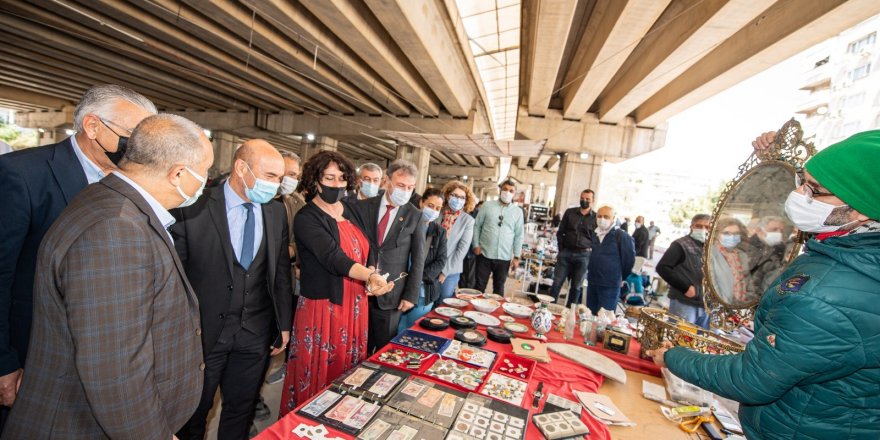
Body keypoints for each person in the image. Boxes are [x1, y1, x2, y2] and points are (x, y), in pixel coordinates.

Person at [649, 129, 880, 440]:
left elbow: (752, 379)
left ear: (860, 209)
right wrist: (774, 161)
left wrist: (674, 357)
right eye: (801, 182)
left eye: (816, 190)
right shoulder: (852, 252)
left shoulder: (825, 295)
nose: (799, 196)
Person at [3, 114, 210, 439]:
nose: (206, 182)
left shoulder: (110, 200)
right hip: (83, 426)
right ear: (178, 174)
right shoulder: (117, 228)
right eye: (205, 172)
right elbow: (115, 369)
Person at [0, 84, 155, 428]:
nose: (140, 149)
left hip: (102, 362)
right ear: (92, 126)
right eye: (132, 135)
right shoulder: (22, 174)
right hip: (33, 353)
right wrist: (4, 363)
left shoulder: (133, 186)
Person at [173, 140, 293, 440]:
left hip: (255, 333)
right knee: (193, 414)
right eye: (269, 176)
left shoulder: (276, 213)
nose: (276, 185)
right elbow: (176, 275)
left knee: (241, 410)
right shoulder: (195, 205)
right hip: (203, 334)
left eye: (279, 179)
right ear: (241, 168)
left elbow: (279, 273)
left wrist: (284, 325)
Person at [279, 151, 393, 414]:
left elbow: (370, 247)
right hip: (325, 308)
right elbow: (333, 258)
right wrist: (370, 276)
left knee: (347, 369)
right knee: (318, 372)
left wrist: (374, 272)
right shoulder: (307, 217)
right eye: (329, 178)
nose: (337, 184)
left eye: (342, 178)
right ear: (315, 181)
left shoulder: (351, 208)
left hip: (355, 304)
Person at [345, 159, 425, 352]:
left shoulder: (415, 215)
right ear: (387, 181)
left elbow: (418, 258)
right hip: (359, 286)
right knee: (356, 345)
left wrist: (411, 295)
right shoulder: (364, 206)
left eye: (410, 187)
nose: (405, 191)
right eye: (400, 185)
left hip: (391, 293)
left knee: (382, 347)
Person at [397, 188, 447, 332]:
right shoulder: (405, 224)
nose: (433, 211)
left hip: (424, 290)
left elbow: (441, 260)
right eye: (430, 206)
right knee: (395, 331)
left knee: (415, 330)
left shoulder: (439, 232)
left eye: (438, 208)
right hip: (399, 286)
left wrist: (418, 277)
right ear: (421, 203)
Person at [655, 214, 711, 329]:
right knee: (679, 339)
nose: (703, 229)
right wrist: (686, 288)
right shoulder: (681, 244)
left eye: (707, 227)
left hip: (706, 305)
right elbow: (662, 267)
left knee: (701, 344)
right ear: (692, 226)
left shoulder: (711, 248)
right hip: (684, 303)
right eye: (699, 226)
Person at [472, 181, 524, 295]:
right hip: (484, 254)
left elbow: (519, 235)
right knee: (479, 287)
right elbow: (477, 226)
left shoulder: (518, 212)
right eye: (505, 189)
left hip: (504, 257)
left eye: (511, 191)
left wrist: (516, 257)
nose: (507, 192)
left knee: (499, 288)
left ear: (514, 194)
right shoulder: (487, 206)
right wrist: (475, 244)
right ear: (500, 190)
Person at [584, 206, 635, 312]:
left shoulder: (621, 236)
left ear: (613, 218)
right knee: (589, 316)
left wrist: (621, 277)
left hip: (609, 285)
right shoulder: (595, 234)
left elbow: (629, 261)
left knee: (605, 319)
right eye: (599, 216)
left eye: (606, 216)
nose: (602, 219)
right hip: (593, 282)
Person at [549, 189, 596, 304]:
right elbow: (561, 232)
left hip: (584, 256)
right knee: (556, 283)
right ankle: (548, 310)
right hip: (566, 253)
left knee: (576, 287)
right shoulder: (569, 213)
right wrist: (562, 249)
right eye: (582, 198)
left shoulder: (595, 218)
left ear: (592, 201)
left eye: (587, 199)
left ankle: (569, 313)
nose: (584, 200)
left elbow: (596, 239)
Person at [436, 180, 476, 305]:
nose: (458, 200)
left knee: (443, 303)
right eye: (455, 195)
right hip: (430, 266)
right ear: (448, 196)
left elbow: (462, 250)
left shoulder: (467, 220)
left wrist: (444, 272)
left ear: (466, 200)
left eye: (462, 197)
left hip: (451, 270)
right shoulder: (437, 212)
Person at [709, 217, 753, 304]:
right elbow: (713, 285)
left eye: (736, 233)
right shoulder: (711, 255)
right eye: (726, 233)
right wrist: (725, 306)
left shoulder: (742, 255)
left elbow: (748, 280)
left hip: (741, 304)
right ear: (717, 234)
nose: (732, 237)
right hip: (720, 305)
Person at [746, 216, 788, 294]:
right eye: (774, 230)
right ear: (759, 230)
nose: (778, 233)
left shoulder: (780, 247)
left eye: (781, 231)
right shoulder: (747, 246)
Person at [459, 200, 483, 289]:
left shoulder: (476, 214)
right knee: (461, 276)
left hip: (470, 251)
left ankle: (467, 296)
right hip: (459, 250)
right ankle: (462, 293)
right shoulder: (459, 213)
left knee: (469, 277)